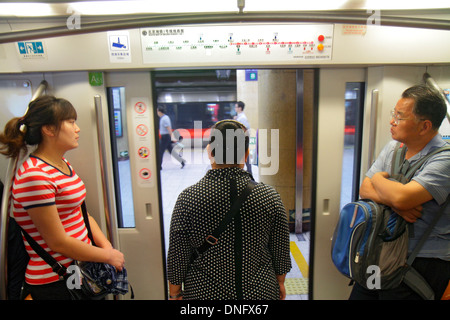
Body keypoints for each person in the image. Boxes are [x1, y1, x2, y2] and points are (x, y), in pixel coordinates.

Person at [0, 95, 125, 300]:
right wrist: (107, 256)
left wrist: (107, 247)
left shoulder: (62, 164)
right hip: (56, 279)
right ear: (48, 129)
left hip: (80, 269)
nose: (77, 129)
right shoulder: (35, 175)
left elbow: (81, 214)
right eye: (70, 122)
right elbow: (57, 242)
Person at [167, 119, 291, 300]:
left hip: (204, 294)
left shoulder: (188, 199)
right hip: (259, 293)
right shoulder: (269, 197)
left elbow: (178, 254)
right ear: (246, 154)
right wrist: (279, 282)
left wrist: (174, 292)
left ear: (209, 152)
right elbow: (280, 250)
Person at [349, 85, 450, 300]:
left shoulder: (444, 160)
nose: (392, 121)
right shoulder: (394, 148)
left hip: (420, 262)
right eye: (393, 114)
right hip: (378, 252)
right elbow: (365, 189)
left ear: (424, 126)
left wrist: (378, 180)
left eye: (399, 116)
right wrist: (394, 203)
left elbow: (403, 197)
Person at [157, 105, 185, 170]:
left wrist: (173, 137)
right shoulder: (163, 118)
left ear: (159, 111)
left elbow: (169, 129)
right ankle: (182, 162)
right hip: (165, 137)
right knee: (172, 152)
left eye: (157, 111)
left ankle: (159, 167)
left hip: (165, 137)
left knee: (160, 152)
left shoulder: (165, 118)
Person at [234, 101, 252, 174]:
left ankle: (248, 171)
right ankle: (248, 171)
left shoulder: (242, 118)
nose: (235, 108)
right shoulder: (239, 117)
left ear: (240, 108)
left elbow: (245, 129)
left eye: (236, 107)